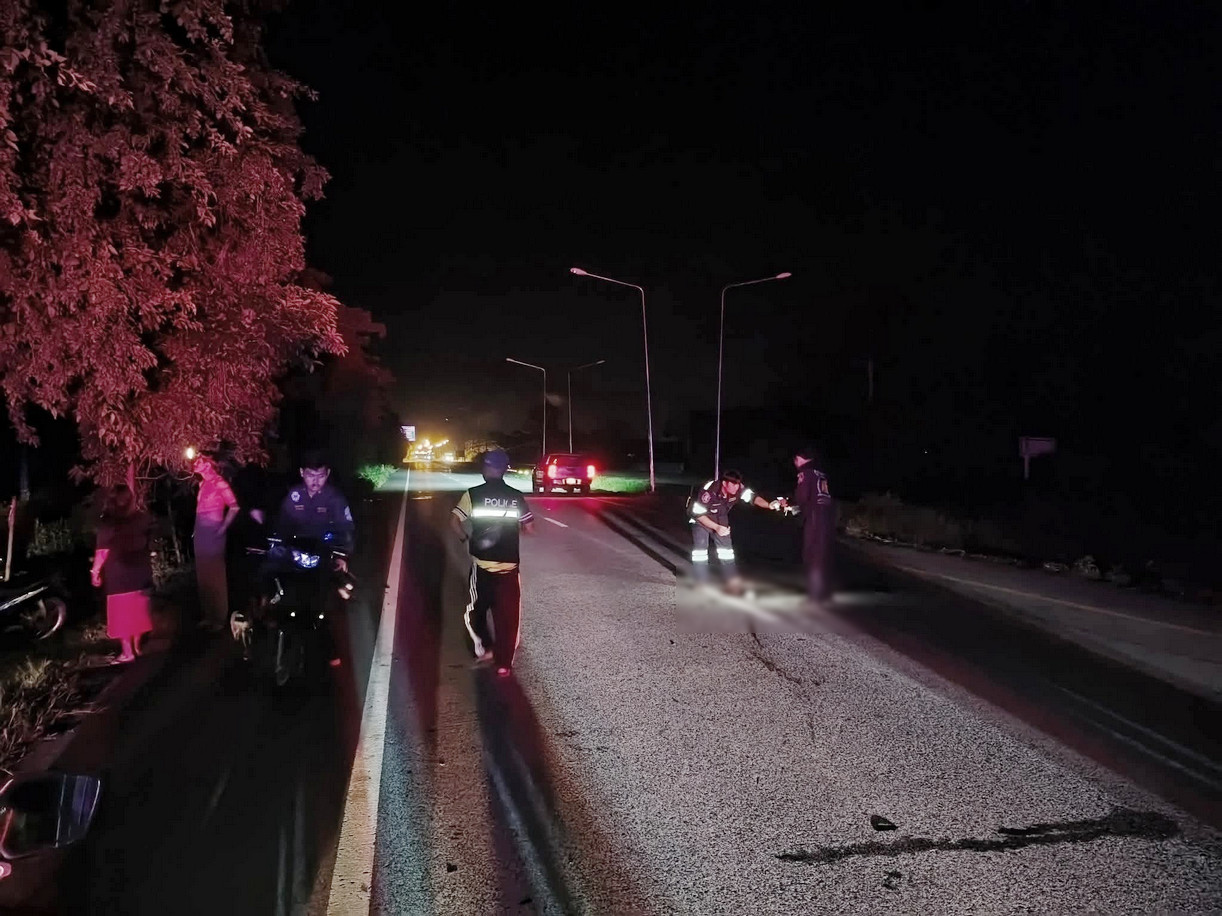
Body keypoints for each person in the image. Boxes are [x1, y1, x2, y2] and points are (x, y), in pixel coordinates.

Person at [450, 448, 534, 677]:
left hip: (482, 568)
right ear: (504, 470)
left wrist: (465, 538)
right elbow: (529, 527)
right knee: (508, 618)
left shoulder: (473, 494)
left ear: (486, 469)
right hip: (509, 568)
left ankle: (484, 649)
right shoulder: (516, 496)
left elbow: (454, 521)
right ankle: (504, 664)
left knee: (474, 611)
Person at [687, 469, 785, 593]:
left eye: (737, 484)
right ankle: (701, 581)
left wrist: (769, 505)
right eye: (733, 484)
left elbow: (753, 498)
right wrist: (716, 527)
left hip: (720, 517)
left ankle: (731, 581)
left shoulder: (739, 488)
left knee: (726, 551)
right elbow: (698, 514)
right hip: (701, 519)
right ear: (724, 483)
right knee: (700, 551)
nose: (736, 487)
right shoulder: (709, 491)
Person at [91, 485, 155, 663]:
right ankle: (137, 647)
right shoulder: (142, 519)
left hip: (119, 573)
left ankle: (127, 653)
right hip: (141, 572)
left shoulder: (108, 523)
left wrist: (95, 571)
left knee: (121, 613)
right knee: (138, 611)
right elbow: (150, 543)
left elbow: (102, 551)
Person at [272, 450, 355, 567]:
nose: (315, 481)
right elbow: (282, 525)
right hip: (296, 551)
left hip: (324, 550)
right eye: (311, 475)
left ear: (328, 473)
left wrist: (342, 557)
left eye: (321, 476)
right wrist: (278, 546)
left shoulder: (335, 498)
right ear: (302, 472)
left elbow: (346, 529)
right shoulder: (294, 494)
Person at [192, 453, 239, 633]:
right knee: (203, 573)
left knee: (215, 573)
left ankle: (219, 617)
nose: (197, 464)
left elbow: (234, 506)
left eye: (201, 461)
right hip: (201, 532)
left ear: (209, 464)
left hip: (214, 531)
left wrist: (222, 528)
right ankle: (208, 615)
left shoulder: (220, 483)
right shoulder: (203, 484)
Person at [788, 444, 836, 603]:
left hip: (814, 516)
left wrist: (793, 507)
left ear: (799, 459)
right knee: (823, 553)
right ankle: (824, 592)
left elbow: (802, 496)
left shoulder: (805, 473)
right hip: (827, 515)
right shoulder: (820, 473)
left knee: (812, 553)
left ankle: (815, 594)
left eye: (795, 460)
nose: (795, 464)